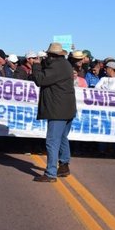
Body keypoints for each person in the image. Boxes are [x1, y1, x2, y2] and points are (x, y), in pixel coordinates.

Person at [31, 42, 77, 182]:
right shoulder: (65, 65)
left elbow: (40, 79)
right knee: (63, 138)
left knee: (52, 140)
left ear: (51, 55)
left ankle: (50, 173)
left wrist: (36, 65)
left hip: (58, 110)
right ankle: (64, 165)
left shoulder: (57, 66)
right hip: (67, 108)